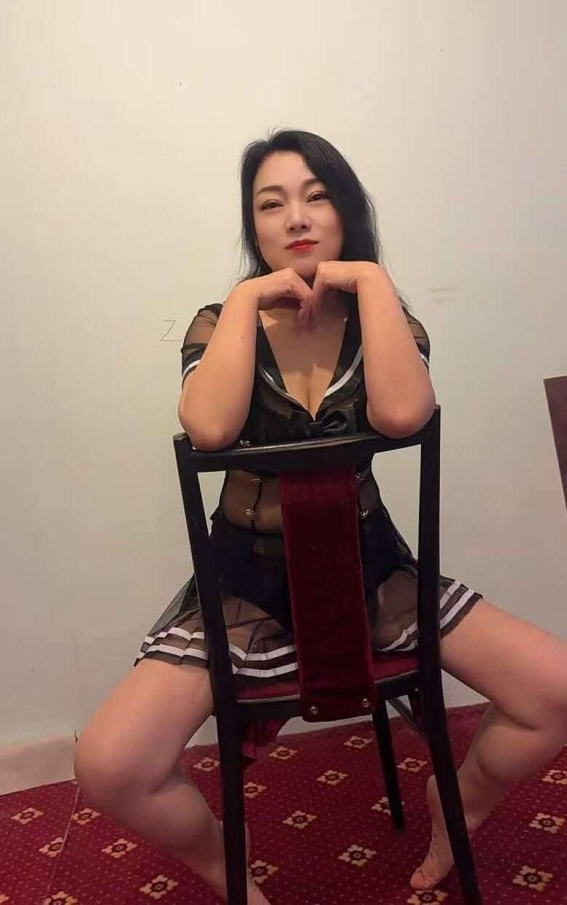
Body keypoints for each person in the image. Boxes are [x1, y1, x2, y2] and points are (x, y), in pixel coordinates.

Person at [74, 130, 567, 902]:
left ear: (346, 210)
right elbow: (209, 428)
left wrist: (369, 279)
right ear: (253, 226)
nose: (296, 217)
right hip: (243, 592)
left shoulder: (383, 318)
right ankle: (226, 863)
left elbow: (402, 415)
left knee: (553, 692)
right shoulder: (219, 320)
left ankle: (455, 807)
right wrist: (246, 298)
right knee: (109, 765)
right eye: (271, 204)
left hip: (374, 577)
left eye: (316, 196)